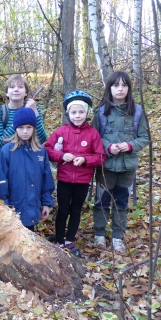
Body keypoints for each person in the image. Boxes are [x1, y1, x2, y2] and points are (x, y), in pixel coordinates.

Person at [91, 71, 149, 253]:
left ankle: (117, 237)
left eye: (124, 85)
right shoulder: (100, 112)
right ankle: (99, 234)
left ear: (129, 89)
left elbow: (145, 137)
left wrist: (129, 145)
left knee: (122, 202)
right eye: (116, 85)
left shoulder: (138, 112)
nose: (120, 89)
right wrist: (108, 148)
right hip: (105, 166)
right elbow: (94, 138)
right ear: (109, 88)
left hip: (127, 167)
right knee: (102, 201)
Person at [45, 91, 106, 257]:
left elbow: (101, 156)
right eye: (73, 112)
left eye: (81, 112)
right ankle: (59, 240)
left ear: (87, 113)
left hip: (82, 181)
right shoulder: (61, 131)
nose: (77, 116)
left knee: (76, 210)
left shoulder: (92, 133)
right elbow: (47, 149)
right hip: (64, 179)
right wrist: (62, 156)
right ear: (68, 114)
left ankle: (69, 240)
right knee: (63, 209)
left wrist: (85, 160)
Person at [0, 107, 55, 232]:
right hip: (13, 207)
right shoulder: (7, 150)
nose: (25, 131)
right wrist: (4, 204)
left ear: (34, 128)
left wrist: (46, 203)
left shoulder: (40, 151)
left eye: (29, 127)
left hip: (33, 206)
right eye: (21, 127)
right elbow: (2, 179)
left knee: (28, 242)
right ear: (15, 128)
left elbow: (46, 179)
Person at [0, 75, 48, 155]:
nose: (16, 89)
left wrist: (34, 112)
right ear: (7, 93)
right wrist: (18, 122)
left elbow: (41, 139)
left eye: (20, 87)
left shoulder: (34, 109)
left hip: (28, 159)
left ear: (26, 93)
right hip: (7, 163)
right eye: (12, 87)